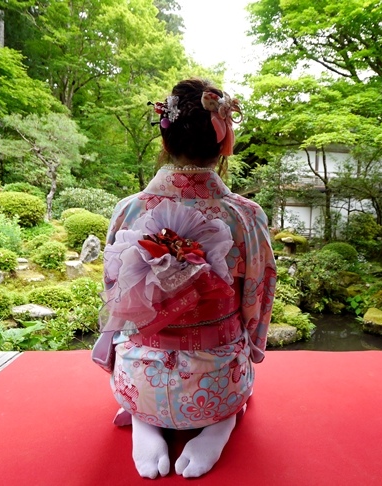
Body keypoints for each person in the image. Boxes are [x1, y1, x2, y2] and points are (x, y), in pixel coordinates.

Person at [92, 78, 276, 479]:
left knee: (136, 351)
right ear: (222, 142)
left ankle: (144, 419)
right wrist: (251, 345)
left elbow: (114, 293)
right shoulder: (246, 215)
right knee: (230, 373)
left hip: (138, 378)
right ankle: (220, 421)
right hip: (216, 384)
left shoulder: (128, 210)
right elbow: (257, 299)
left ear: (165, 140)